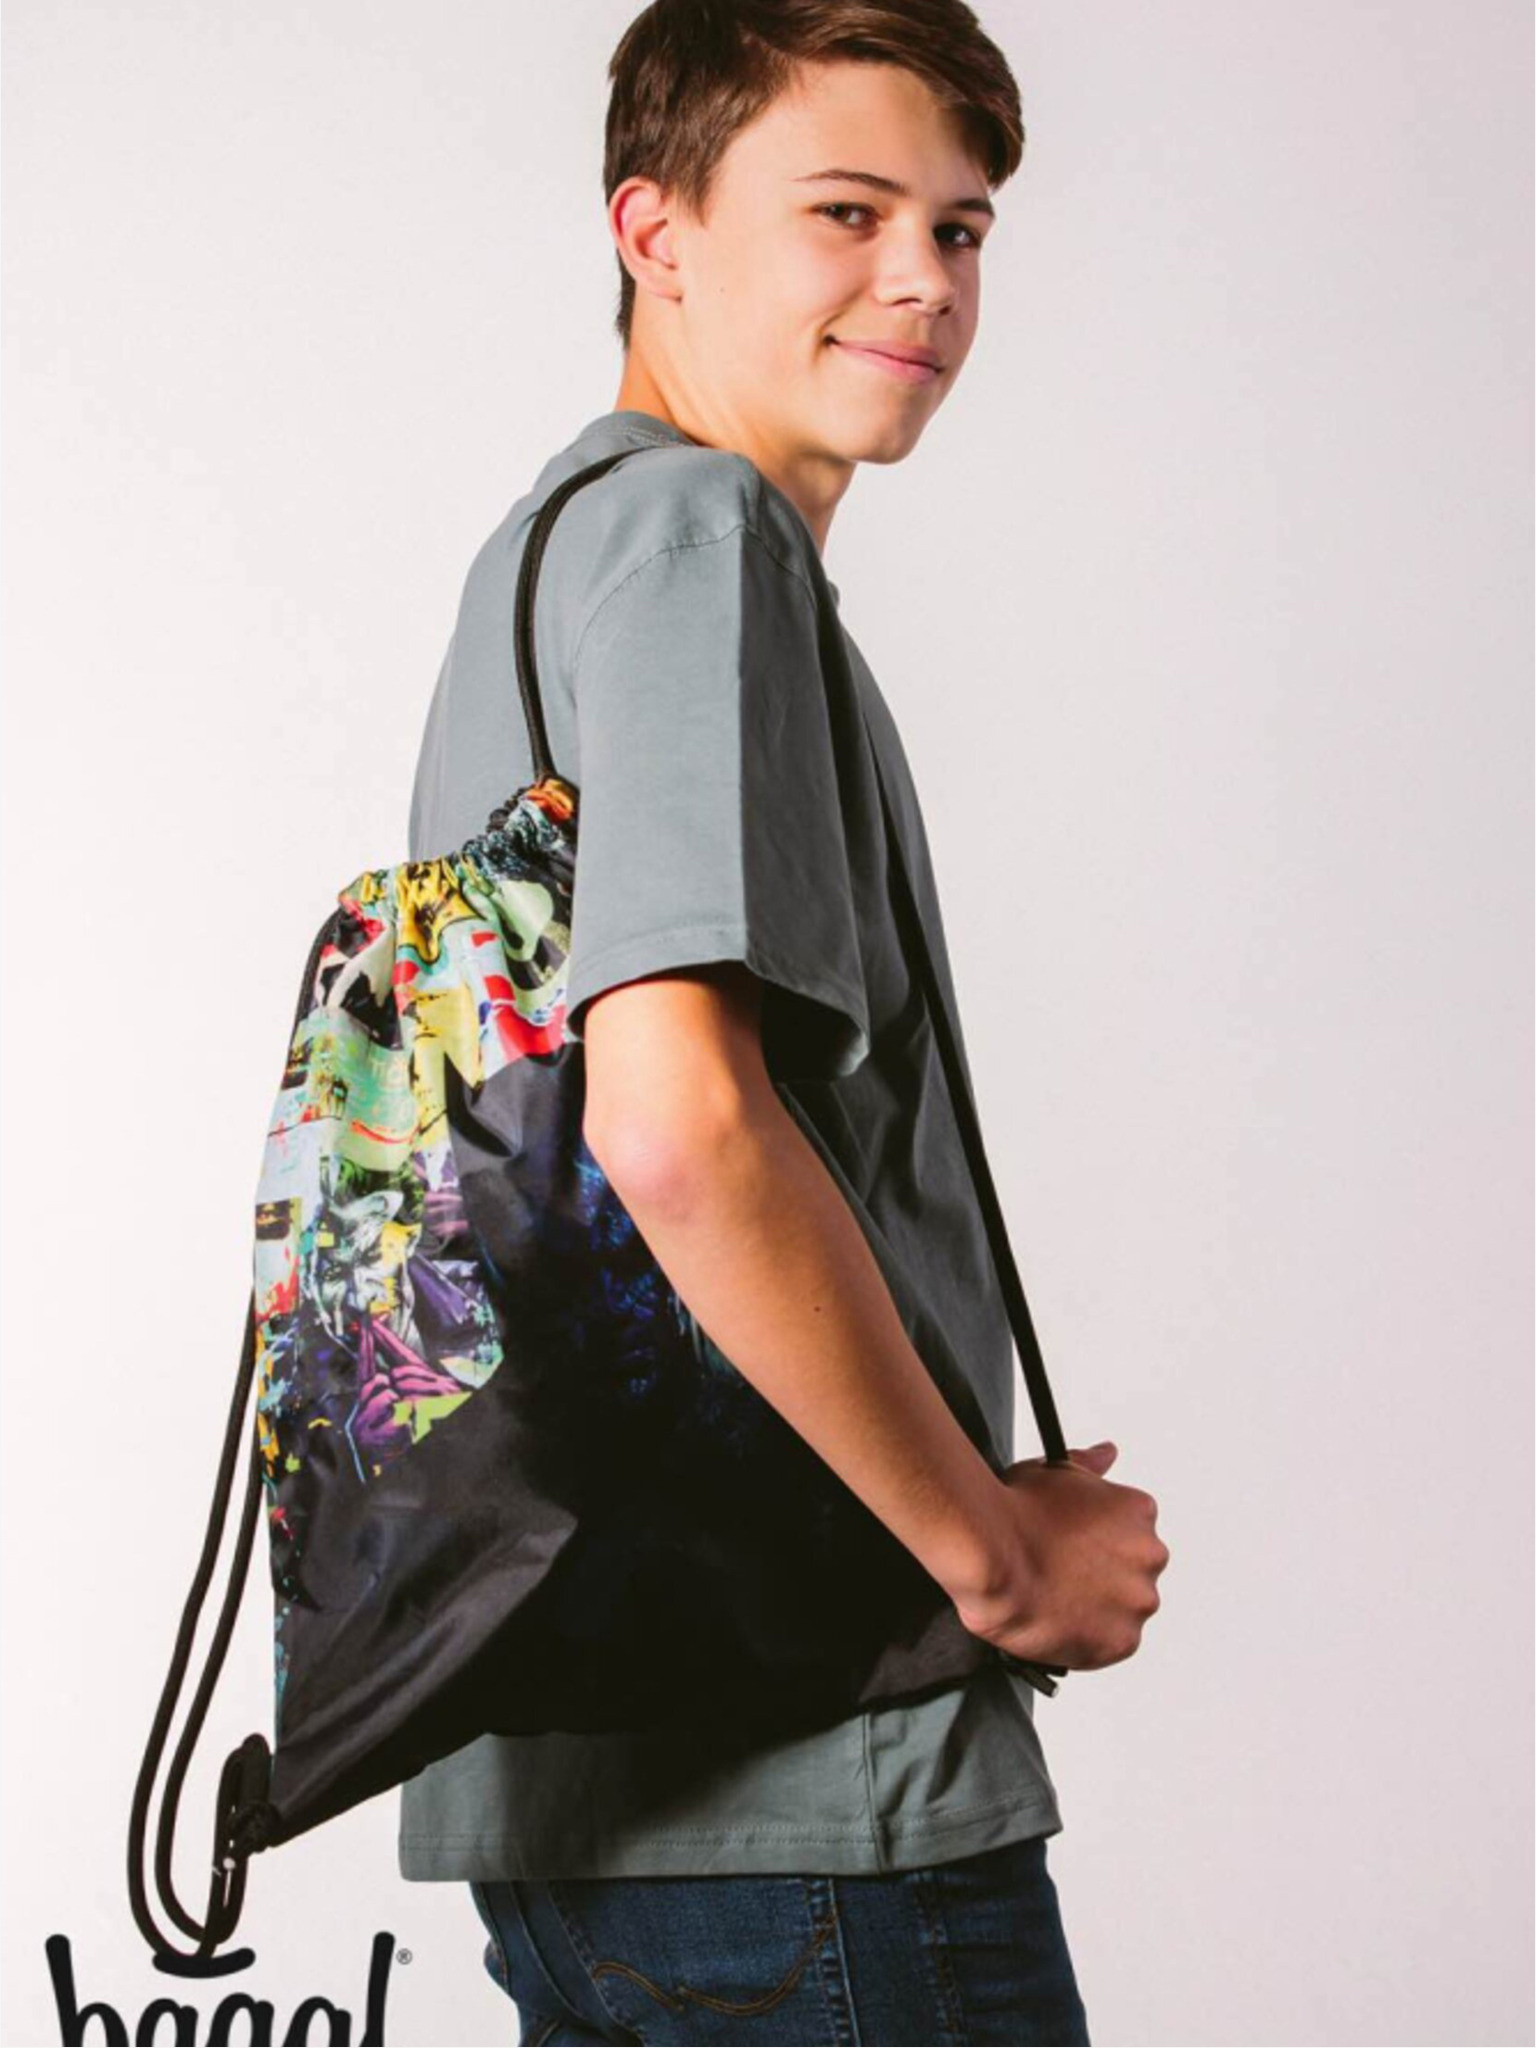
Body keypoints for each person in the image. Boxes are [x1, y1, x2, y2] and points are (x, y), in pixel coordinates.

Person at [400, 3, 1168, 2040]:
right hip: (808, 1802)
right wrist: (994, 1559)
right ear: (654, 229)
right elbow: (678, 1128)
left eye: (961, 227)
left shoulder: (545, 560)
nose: (924, 279)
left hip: (579, 1788)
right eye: (848, 210)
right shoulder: (691, 537)